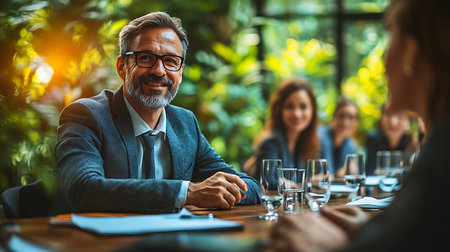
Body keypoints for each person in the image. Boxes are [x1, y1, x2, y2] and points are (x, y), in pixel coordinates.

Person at [271, 0, 450, 251]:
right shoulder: (438, 150)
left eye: (390, 39)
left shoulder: (438, 164)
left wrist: (328, 246)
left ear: (411, 54)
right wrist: (369, 230)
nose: (384, 59)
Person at [53, 12, 260, 214]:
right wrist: (188, 193)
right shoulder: (86, 116)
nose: (159, 70)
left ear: (180, 71)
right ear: (122, 67)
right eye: (146, 58)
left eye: (170, 61)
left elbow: (248, 186)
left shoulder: (185, 124)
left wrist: (220, 192)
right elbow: (83, 190)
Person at [248, 77, 329, 181]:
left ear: (313, 110)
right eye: (290, 106)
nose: (297, 113)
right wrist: (307, 184)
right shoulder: (271, 142)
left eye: (303, 106)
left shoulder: (307, 143)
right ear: (279, 109)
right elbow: (270, 182)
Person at [365, 104, 416, 175]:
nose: (393, 122)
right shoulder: (373, 139)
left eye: (399, 116)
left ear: (408, 120)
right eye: (388, 114)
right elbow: (371, 172)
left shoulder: (412, 141)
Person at [319, 97, 359, 177]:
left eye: (351, 117)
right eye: (341, 116)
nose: (345, 122)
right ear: (333, 117)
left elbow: (355, 173)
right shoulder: (321, 136)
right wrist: (341, 173)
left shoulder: (350, 144)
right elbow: (325, 174)